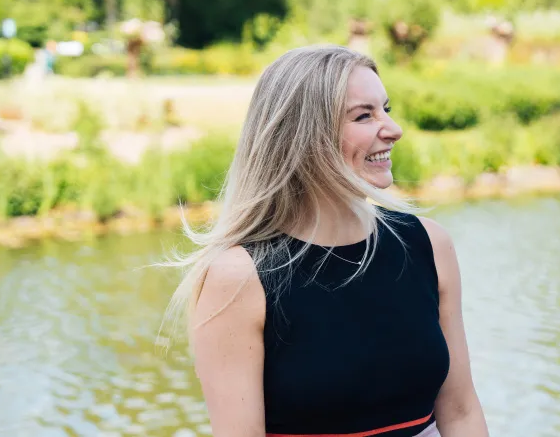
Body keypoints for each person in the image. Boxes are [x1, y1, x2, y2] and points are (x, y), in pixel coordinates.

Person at [165, 45, 489, 437]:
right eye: (364, 115)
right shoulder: (236, 279)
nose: (392, 128)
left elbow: (461, 411)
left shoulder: (429, 244)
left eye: (386, 109)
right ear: (305, 135)